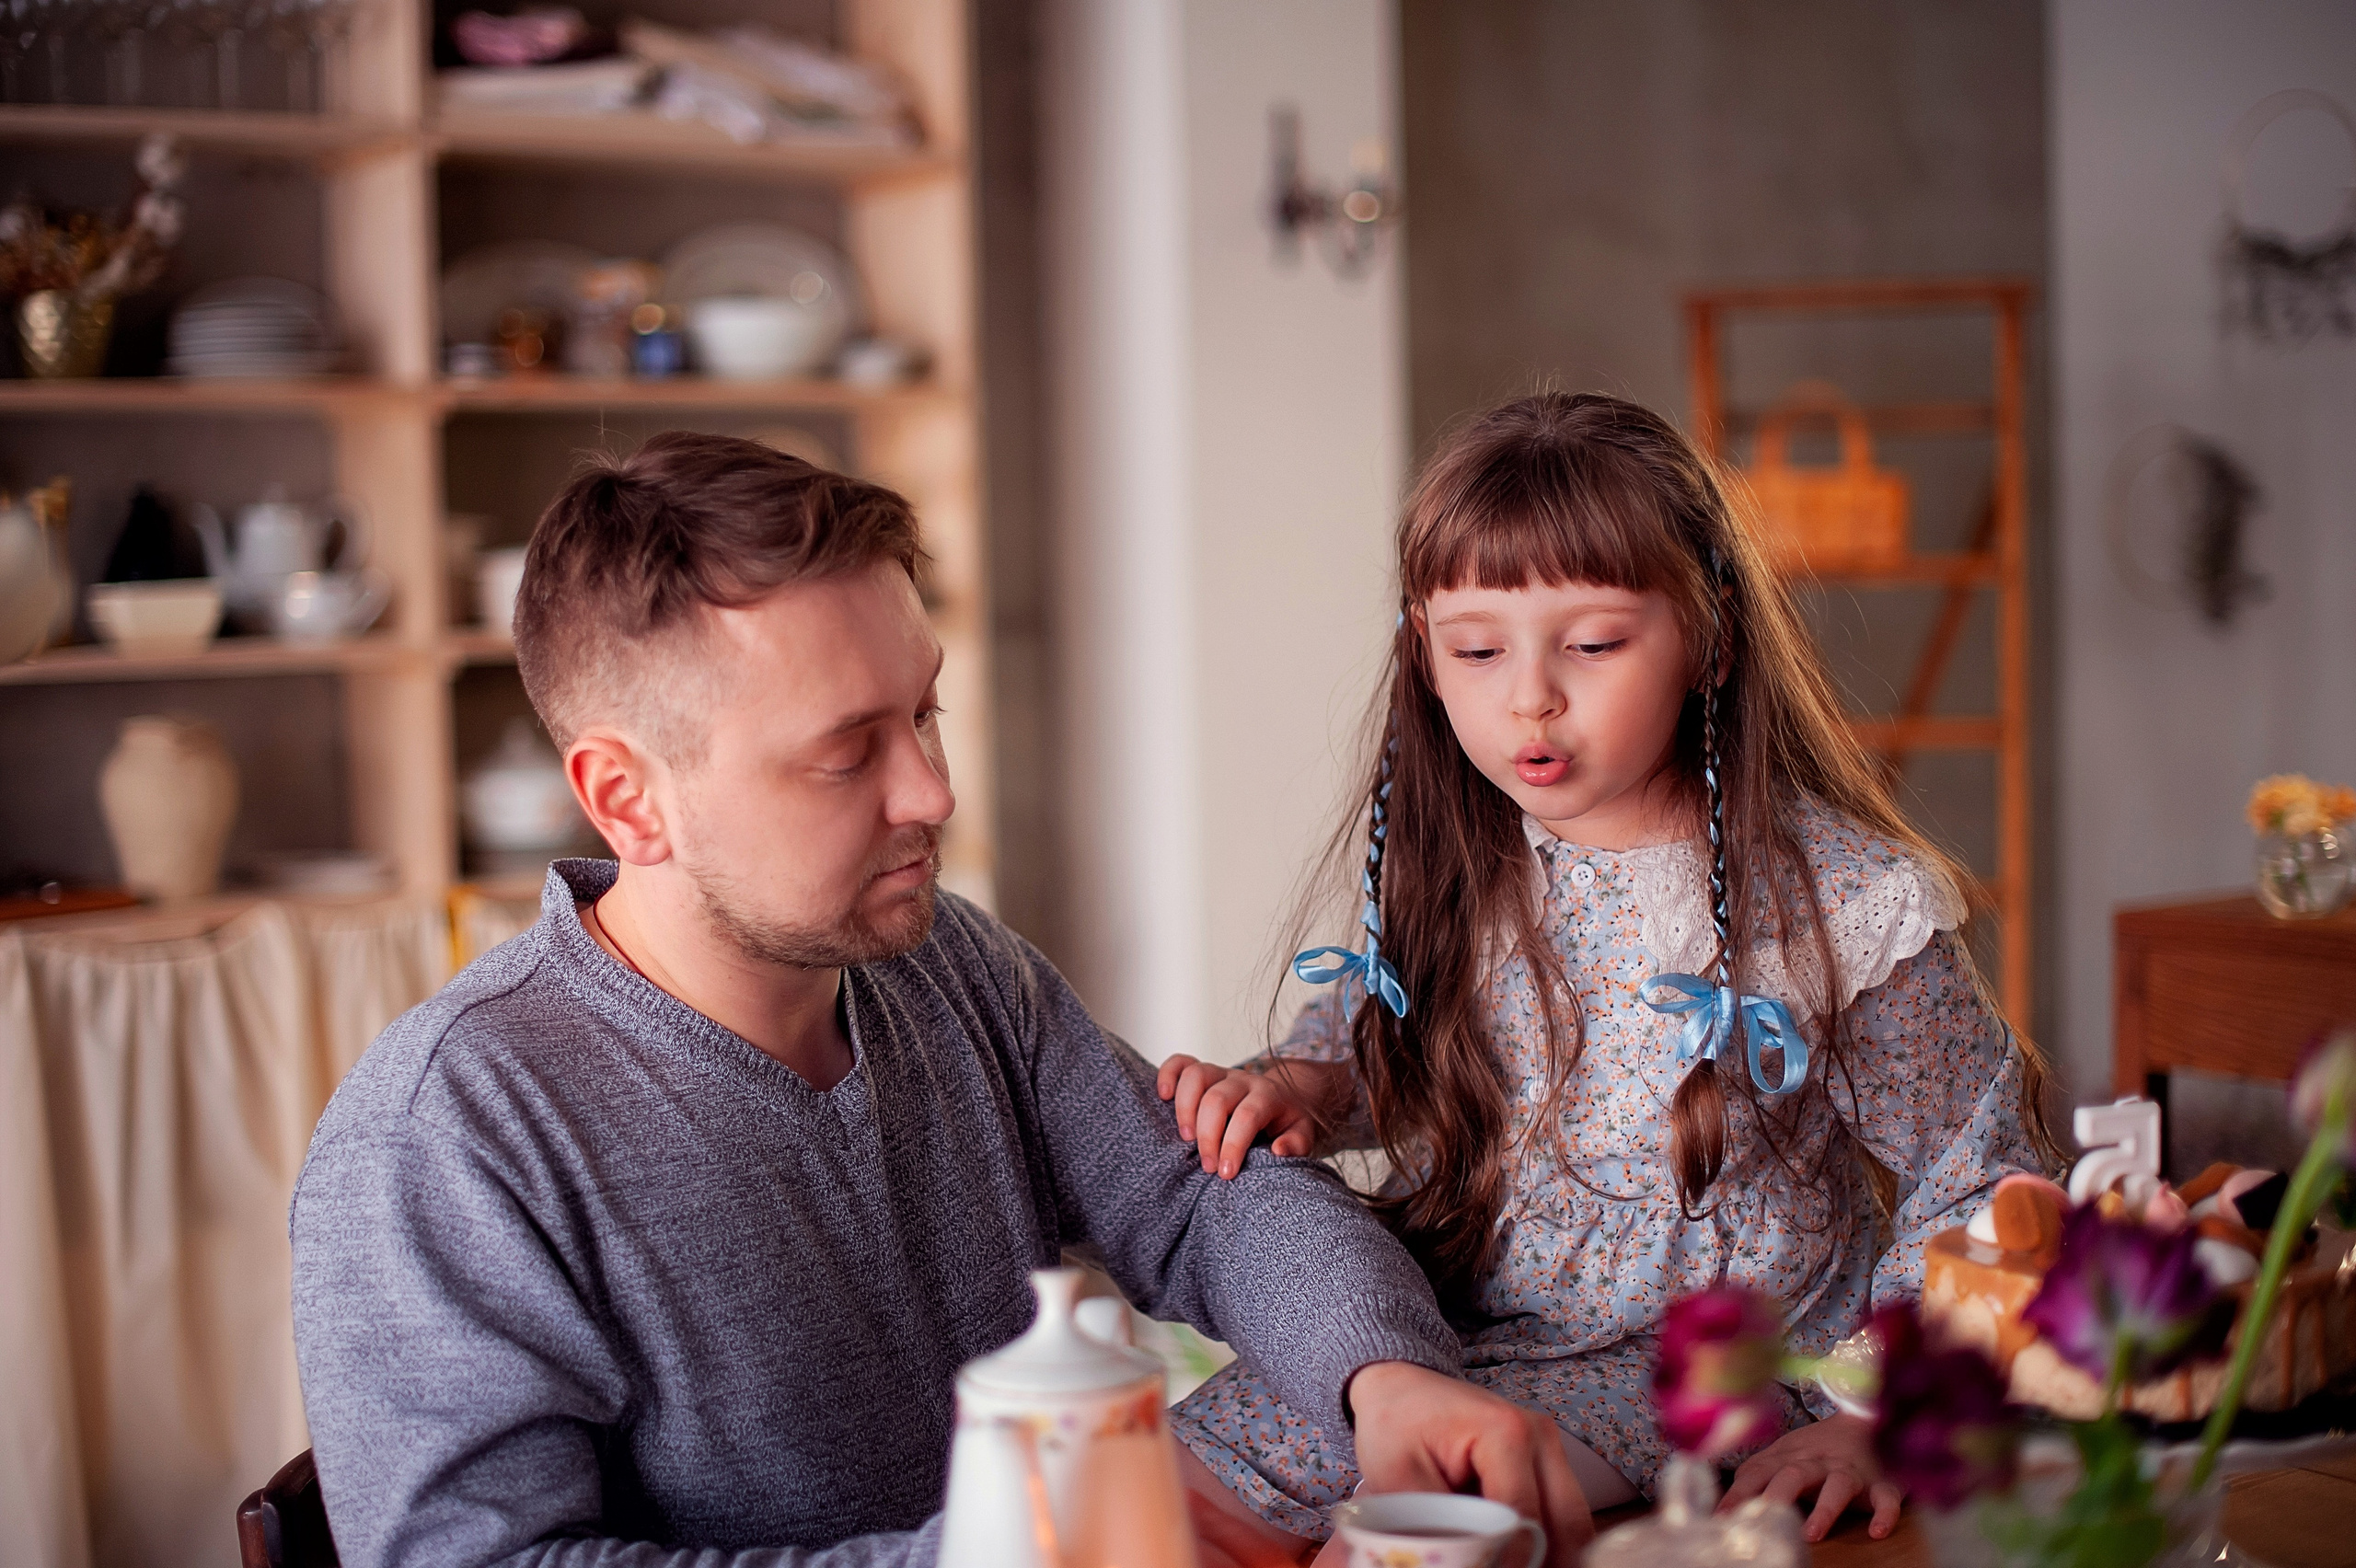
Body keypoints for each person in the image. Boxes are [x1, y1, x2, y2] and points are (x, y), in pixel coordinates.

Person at [287, 432, 1589, 1568]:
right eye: (847, 752)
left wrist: (1387, 1373)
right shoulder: (444, 1140)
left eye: (925, 713)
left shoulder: (946, 967)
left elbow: (1201, 1196)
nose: (930, 793)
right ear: (627, 798)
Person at [1156, 392, 2062, 1555]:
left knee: (1403, 1546)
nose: (1528, 694)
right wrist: (1299, 1086)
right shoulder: (1459, 858)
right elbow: (1372, 1043)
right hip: (1433, 1334)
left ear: (1710, 640)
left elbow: (1978, 1181)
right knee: (1138, 1504)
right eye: (1477, 649)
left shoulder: (1844, 906)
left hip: (1696, 1374)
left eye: (1590, 644)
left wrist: (1874, 1416)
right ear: (1423, 655)